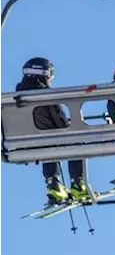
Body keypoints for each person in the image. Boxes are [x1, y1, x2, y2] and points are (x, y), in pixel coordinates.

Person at [15, 58, 92, 207]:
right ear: (42, 73)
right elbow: (60, 121)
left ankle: (54, 184)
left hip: (26, 142)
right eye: (51, 74)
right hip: (52, 138)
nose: (52, 78)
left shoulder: (17, 97)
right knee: (76, 141)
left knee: (46, 146)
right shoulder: (46, 95)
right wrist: (70, 124)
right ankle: (78, 184)